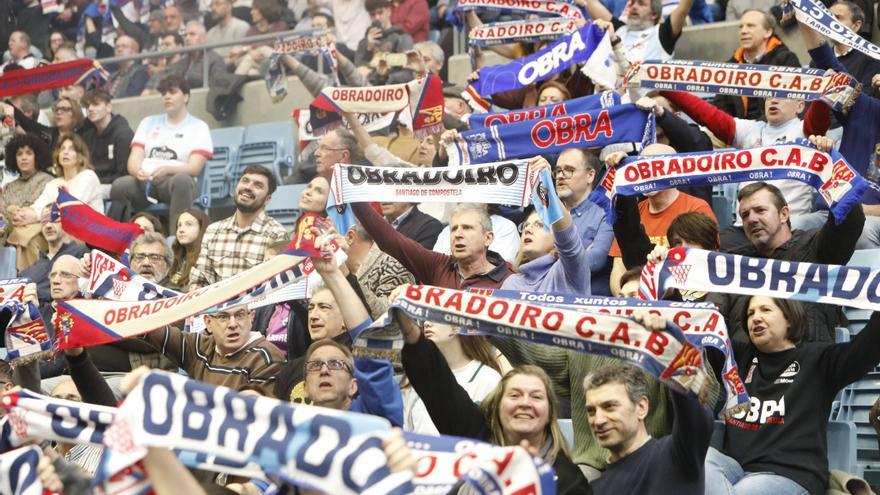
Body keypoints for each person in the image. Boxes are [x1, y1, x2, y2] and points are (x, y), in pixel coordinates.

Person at [397, 309, 591, 494]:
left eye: (536, 396)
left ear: (550, 412)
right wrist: (410, 329)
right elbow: (439, 388)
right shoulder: (478, 438)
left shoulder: (569, 480)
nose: (525, 402)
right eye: (514, 395)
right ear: (498, 406)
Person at [706, 296, 880, 494]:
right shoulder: (737, 358)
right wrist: (670, 296)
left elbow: (868, 347)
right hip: (735, 469)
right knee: (703, 460)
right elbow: (696, 334)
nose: (756, 318)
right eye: (750, 313)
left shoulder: (819, 361)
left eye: (765, 310)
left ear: (789, 318)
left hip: (790, 476)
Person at [718, 181, 864, 344]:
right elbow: (712, 313)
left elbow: (849, 220)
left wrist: (830, 175)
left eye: (760, 210)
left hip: (807, 362)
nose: (751, 219)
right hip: (748, 366)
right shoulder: (734, 263)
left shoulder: (815, 247)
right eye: (745, 215)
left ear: (784, 214)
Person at [660, 90, 826, 234]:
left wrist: (825, 85)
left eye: (783, 96)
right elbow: (707, 114)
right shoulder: (750, 130)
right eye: (769, 97)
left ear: (800, 106)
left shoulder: (807, 131)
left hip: (788, 227)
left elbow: (823, 106)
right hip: (745, 228)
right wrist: (664, 86)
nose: (774, 100)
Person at [585, 324, 713, 494]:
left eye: (610, 407)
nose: (599, 420)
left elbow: (695, 410)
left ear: (641, 407)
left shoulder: (676, 455)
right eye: (591, 411)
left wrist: (668, 340)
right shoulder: (595, 489)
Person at [605, 144, 716, 296]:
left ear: (674, 170)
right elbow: (621, 266)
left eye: (656, 166)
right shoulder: (633, 214)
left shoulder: (697, 207)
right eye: (642, 167)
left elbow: (705, 263)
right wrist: (629, 300)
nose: (648, 173)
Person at [110, 75, 213, 229]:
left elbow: (195, 168)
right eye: (164, 93)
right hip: (145, 181)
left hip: (174, 181)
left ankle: (177, 242)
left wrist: (167, 169)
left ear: (185, 97)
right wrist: (138, 172)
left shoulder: (199, 127)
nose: (167, 97)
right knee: (120, 185)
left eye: (172, 92)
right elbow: (134, 159)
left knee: (182, 181)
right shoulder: (148, 122)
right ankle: (121, 240)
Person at [353, 201, 513, 290]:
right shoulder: (438, 266)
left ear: (488, 238)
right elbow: (390, 240)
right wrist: (354, 196)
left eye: (467, 228)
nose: (458, 234)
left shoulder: (509, 280)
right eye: (454, 229)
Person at [143, 303, 286, 395]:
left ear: (251, 318)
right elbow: (148, 328)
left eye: (240, 315)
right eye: (223, 317)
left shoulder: (267, 358)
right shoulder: (200, 346)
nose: (233, 324)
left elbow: (255, 417)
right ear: (208, 323)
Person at [189, 165, 288, 289]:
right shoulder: (213, 231)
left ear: (267, 199)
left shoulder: (278, 235)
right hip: (215, 307)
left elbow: (274, 286)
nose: (248, 187)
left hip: (254, 307)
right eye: (245, 181)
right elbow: (199, 281)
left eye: (257, 185)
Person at [401, 319, 501, 434]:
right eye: (425, 317)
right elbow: (407, 432)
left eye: (435, 315)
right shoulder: (414, 379)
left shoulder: (489, 378)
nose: (427, 323)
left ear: (457, 326)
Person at [712, 10, 800, 120]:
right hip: (737, 131)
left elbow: (789, 106)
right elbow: (721, 107)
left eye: (750, 26)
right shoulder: (730, 66)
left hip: (774, 128)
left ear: (768, 32)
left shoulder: (785, 60)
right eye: (741, 27)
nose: (743, 31)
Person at [554, 148, 614, 295]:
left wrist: (556, 255)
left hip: (588, 303)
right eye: (558, 171)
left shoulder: (606, 211)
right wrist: (579, 254)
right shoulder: (547, 213)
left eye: (569, 170)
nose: (560, 176)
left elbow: (595, 261)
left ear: (590, 175)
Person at [579, 0, 694, 64]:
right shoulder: (618, 28)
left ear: (654, 14)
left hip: (644, 99)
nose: (633, 7)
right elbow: (591, 3)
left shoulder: (663, 33)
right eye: (632, 3)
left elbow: (682, 11)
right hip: (607, 93)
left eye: (640, 3)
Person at [1, 134, 54, 271]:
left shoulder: (47, 180)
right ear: (14, 158)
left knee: (24, 240)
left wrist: (9, 210)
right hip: (8, 230)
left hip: (35, 232)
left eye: (29, 153)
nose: (24, 157)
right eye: (19, 154)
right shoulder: (9, 186)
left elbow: (36, 212)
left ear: (37, 156)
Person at [21, 206, 88, 305]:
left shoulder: (83, 253)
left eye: (54, 219)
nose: (48, 225)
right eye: (44, 221)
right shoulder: (30, 270)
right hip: (33, 315)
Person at [344, 222, 415, 316]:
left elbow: (387, 316)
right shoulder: (336, 273)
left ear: (350, 237)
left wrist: (347, 276)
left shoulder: (393, 264)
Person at [78, 88, 135, 197]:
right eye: (87, 106)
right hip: (91, 183)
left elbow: (124, 173)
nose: (90, 109)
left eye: (95, 104)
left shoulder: (123, 133)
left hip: (113, 186)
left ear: (108, 107)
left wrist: (94, 182)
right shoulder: (87, 135)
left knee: (83, 195)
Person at [822, 1, 880, 96]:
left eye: (837, 18)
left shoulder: (872, 57)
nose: (830, 23)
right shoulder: (819, 60)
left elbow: (866, 101)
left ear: (856, 26)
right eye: (828, 18)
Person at [355, 0, 414, 67]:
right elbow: (358, 69)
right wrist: (369, 49)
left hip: (391, 76)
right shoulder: (365, 42)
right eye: (372, 14)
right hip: (370, 76)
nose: (377, 18)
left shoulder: (401, 37)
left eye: (380, 13)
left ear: (388, 11)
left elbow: (407, 65)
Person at [173, 21, 227, 89]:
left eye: (192, 34)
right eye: (185, 35)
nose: (187, 38)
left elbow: (218, 85)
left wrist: (190, 81)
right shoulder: (182, 61)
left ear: (203, 39)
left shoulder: (215, 59)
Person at [169, 208, 210, 289]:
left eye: (189, 224)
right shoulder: (176, 259)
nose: (181, 230)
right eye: (179, 225)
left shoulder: (207, 260)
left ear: (202, 228)